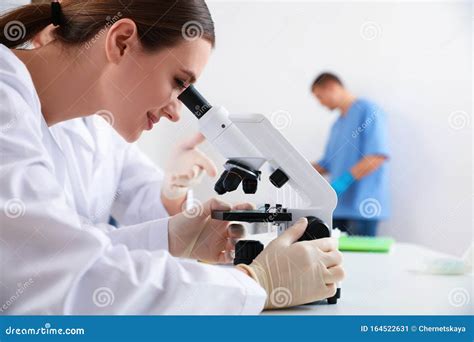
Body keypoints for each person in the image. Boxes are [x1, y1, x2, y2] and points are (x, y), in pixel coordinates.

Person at [0, 1, 344, 314]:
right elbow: (69, 281)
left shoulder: (79, 122)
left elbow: (65, 250)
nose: (177, 113)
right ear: (121, 41)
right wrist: (254, 283)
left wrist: (172, 237)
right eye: (179, 81)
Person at [311, 73, 390, 236]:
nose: (320, 103)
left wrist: (343, 181)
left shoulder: (368, 111)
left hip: (363, 207)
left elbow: (376, 157)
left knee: (362, 260)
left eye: (319, 96)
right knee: (336, 258)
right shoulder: (338, 124)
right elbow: (327, 163)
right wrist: (294, 168)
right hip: (338, 207)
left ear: (332, 87)